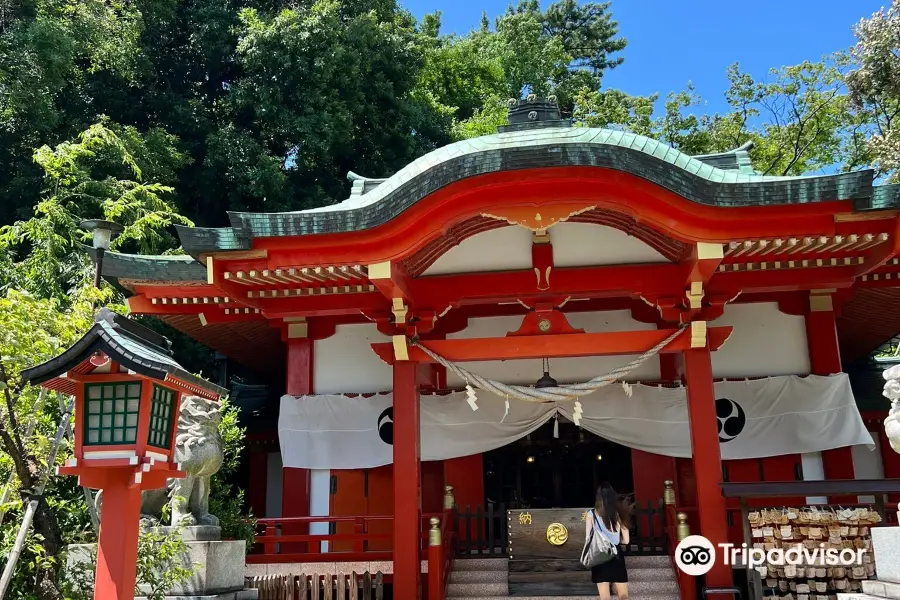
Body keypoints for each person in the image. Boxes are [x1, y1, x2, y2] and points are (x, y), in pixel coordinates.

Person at [585, 483, 633, 600]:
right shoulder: (619, 513)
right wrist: (617, 539)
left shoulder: (591, 514)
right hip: (616, 555)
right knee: (623, 596)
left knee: (604, 597)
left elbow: (588, 539)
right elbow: (626, 541)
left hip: (599, 555)